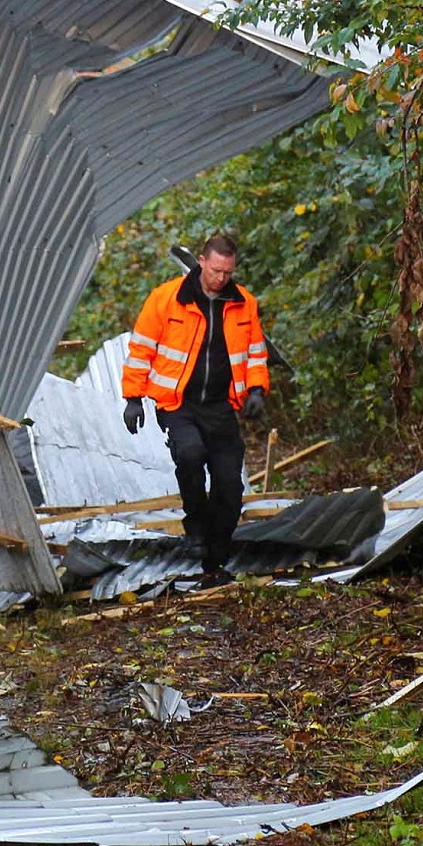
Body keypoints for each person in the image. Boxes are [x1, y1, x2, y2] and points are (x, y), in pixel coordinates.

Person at [119, 233, 270, 585]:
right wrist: (132, 398)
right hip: (177, 402)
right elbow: (141, 349)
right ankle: (196, 526)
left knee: (230, 484)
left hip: (220, 405)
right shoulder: (167, 299)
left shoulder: (243, 303)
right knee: (190, 455)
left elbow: (255, 353)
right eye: (216, 270)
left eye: (228, 273)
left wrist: (258, 389)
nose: (221, 279)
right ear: (202, 261)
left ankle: (215, 559)